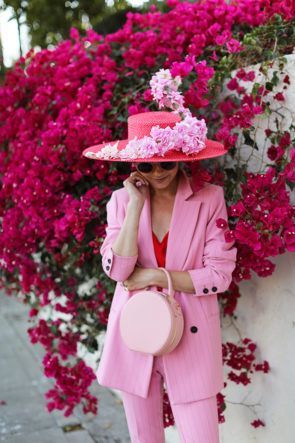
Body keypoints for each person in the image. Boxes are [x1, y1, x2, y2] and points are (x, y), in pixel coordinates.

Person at [82, 111, 238, 443]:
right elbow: (119, 272)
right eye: (146, 165)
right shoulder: (122, 202)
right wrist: (135, 206)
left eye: (166, 164)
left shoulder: (210, 199)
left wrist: (155, 275)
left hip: (191, 332)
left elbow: (219, 275)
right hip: (135, 333)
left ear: (181, 158)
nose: (157, 172)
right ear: (135, 165)